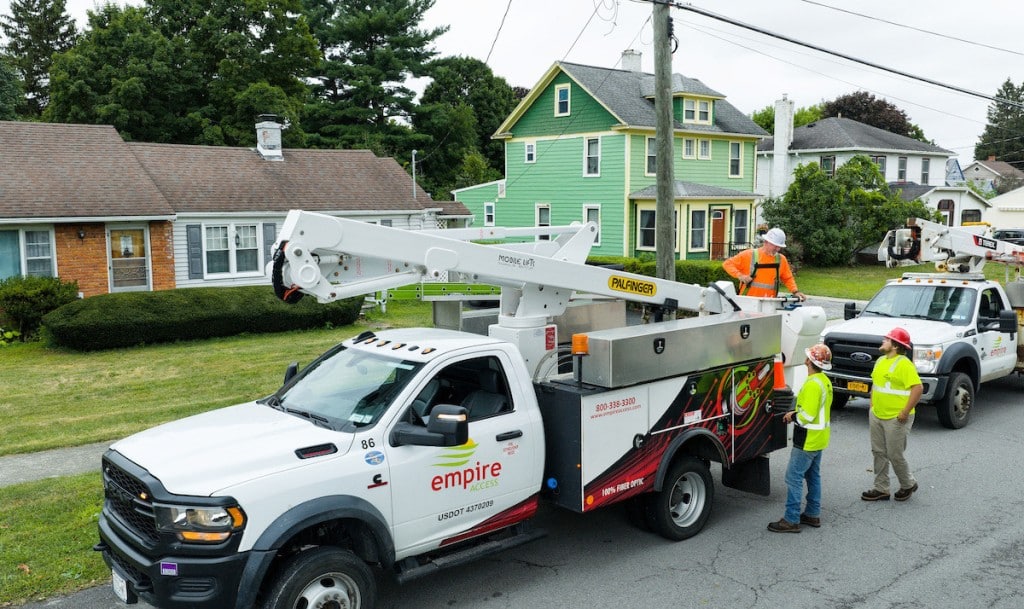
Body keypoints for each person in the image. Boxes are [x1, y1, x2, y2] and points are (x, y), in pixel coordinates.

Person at [768, 343, 833, 533]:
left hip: (807, 438)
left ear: (810, 362)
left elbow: (808, 415)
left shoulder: (813, 384)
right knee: (813, 476)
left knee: (793, 477)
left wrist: (792, 415)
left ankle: (791, 519)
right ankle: (812, 514)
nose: (805, 360)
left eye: (807, 358)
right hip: (819, 437)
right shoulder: (824, 380)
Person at [862, 327, 922, 502]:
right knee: (878, 452)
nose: (883, 340)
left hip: (897, 418)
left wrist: (904, 412)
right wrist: (872, 406)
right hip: (877, 414)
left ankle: (908, 484)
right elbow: (876, 384)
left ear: (895, 346)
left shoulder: (904, 364)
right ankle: (881, 488)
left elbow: (918, 389)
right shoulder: (880, 360)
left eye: (887, 339)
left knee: (895, 454)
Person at [723, 227, 806, 300]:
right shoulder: (748, 255)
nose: (777, 249)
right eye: (775, 245)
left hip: (769, 303)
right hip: (747, 302)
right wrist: (740, 276)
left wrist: (795, 291)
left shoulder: (781, 259)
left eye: (779, 246)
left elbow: (788, 278)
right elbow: (727, 264)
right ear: (766, 242)